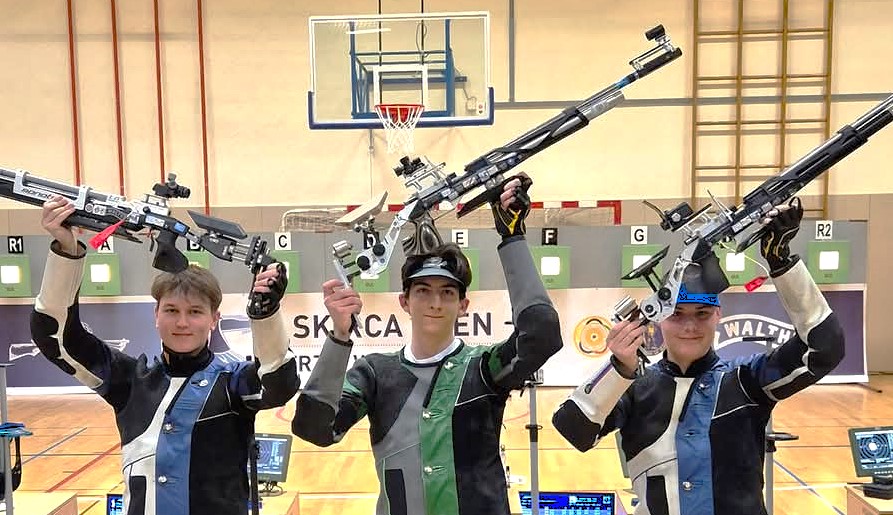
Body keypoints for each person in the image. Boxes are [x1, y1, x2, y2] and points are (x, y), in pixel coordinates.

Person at [552, 199, 845, 515]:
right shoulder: (635, 386)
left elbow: (824, 349)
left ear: (718, 314)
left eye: (702, 313)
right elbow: (574, 430)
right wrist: (619, 369)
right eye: (677, 314)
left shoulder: (746, 380)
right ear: (659, 317)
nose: (690, 326)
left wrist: (781, 262)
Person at [291, 175, 563, 515]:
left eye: (447, 292)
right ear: (404, 301)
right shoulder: (375, 372)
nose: (435, 302)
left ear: (463, 305)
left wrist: (512, 239)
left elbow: (542, 335)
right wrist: (339, 336)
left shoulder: (484, 367)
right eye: (423, 291)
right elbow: (315, 429)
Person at [31, 196, 300, 515]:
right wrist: (66, 250)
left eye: (195, 312)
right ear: (155, 314)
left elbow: (279, 383)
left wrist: (265, 313)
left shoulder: (233, 382)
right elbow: (56, 338)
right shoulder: (130, 380)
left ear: (214, 319)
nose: (182, 322)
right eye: (171, 310)